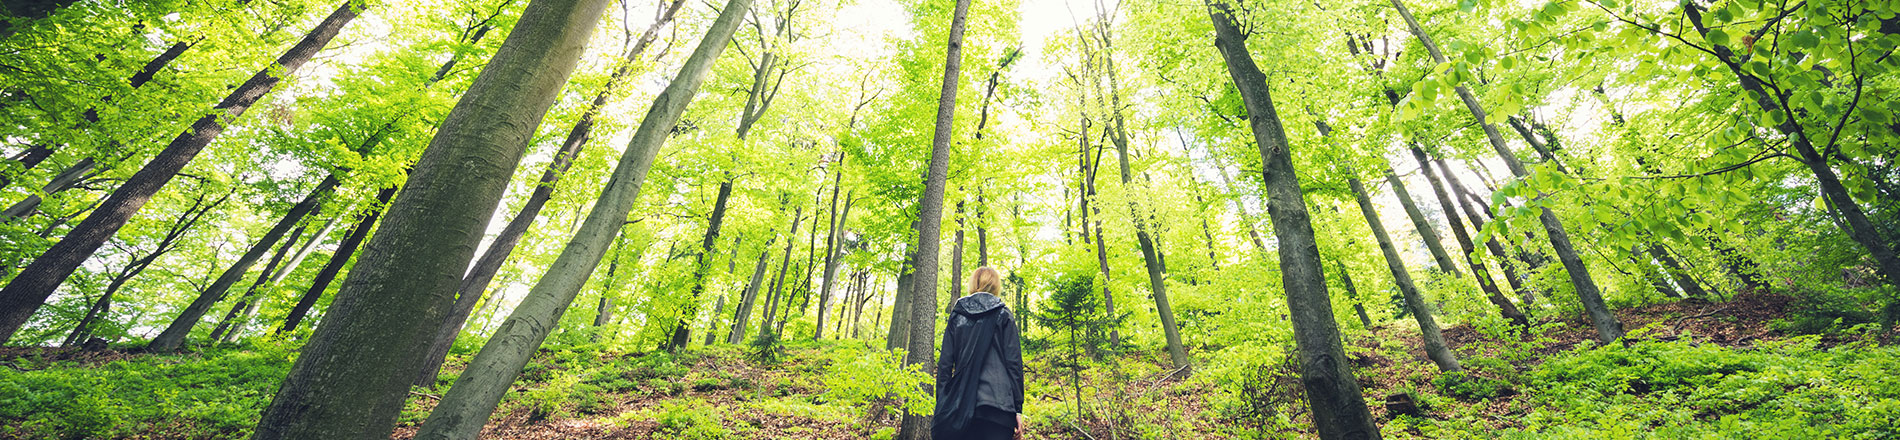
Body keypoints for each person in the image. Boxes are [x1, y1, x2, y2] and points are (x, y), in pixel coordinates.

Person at [932, 266, 1025, 439]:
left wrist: (943, 403)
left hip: (961, 407)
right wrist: (1017, 409)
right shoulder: (1003, 314)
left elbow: (945, 364)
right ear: (996, 285)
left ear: (973, 284)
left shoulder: (957, 315)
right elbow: (1014, 364)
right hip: (999, 408)